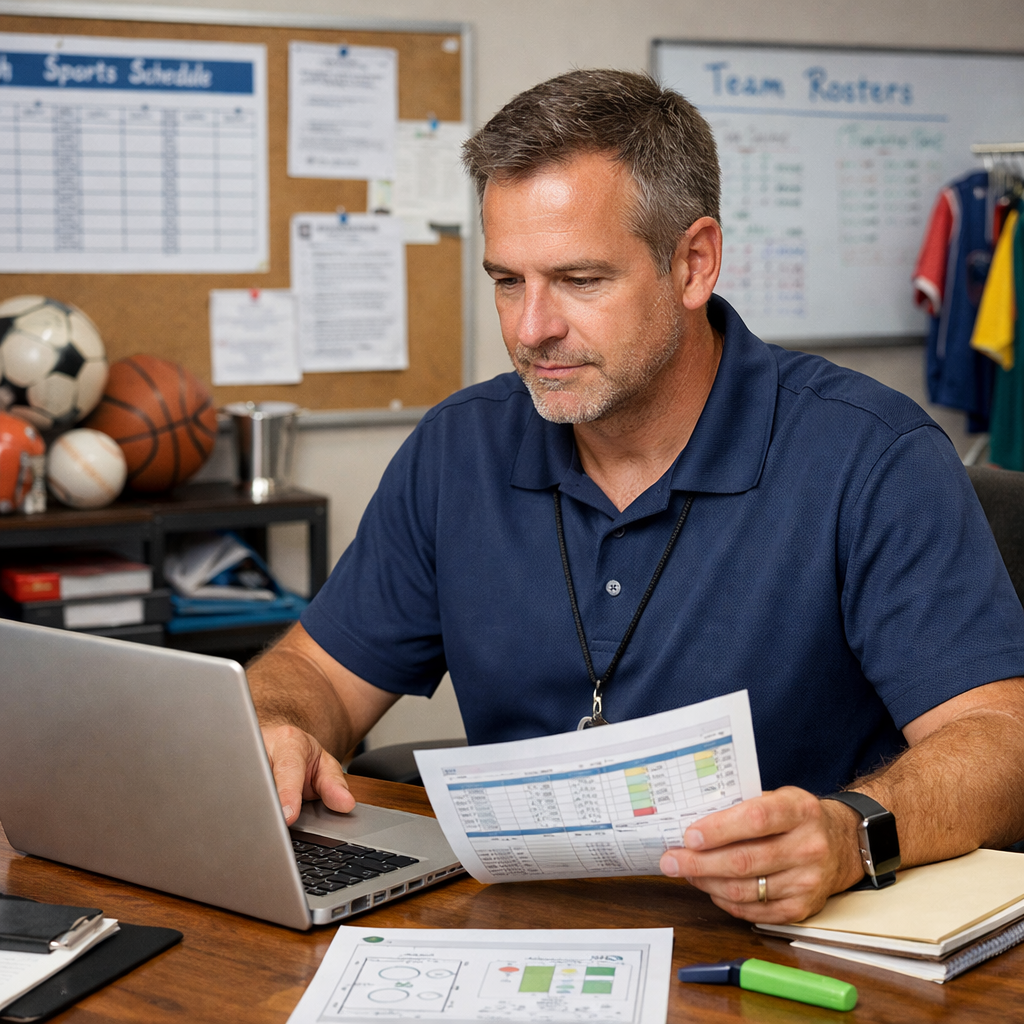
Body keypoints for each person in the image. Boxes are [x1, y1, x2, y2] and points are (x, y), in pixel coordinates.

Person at [248, 69, 1024, 924]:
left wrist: (851, 832)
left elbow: (1001, 739)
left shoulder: (871, 454)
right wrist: (280, 722)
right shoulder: (456, 447)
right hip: (520, 930)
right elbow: (315, 675)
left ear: (693, 264)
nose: (531, 329)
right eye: (507, 280)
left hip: (777, 940)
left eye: (580, 280)